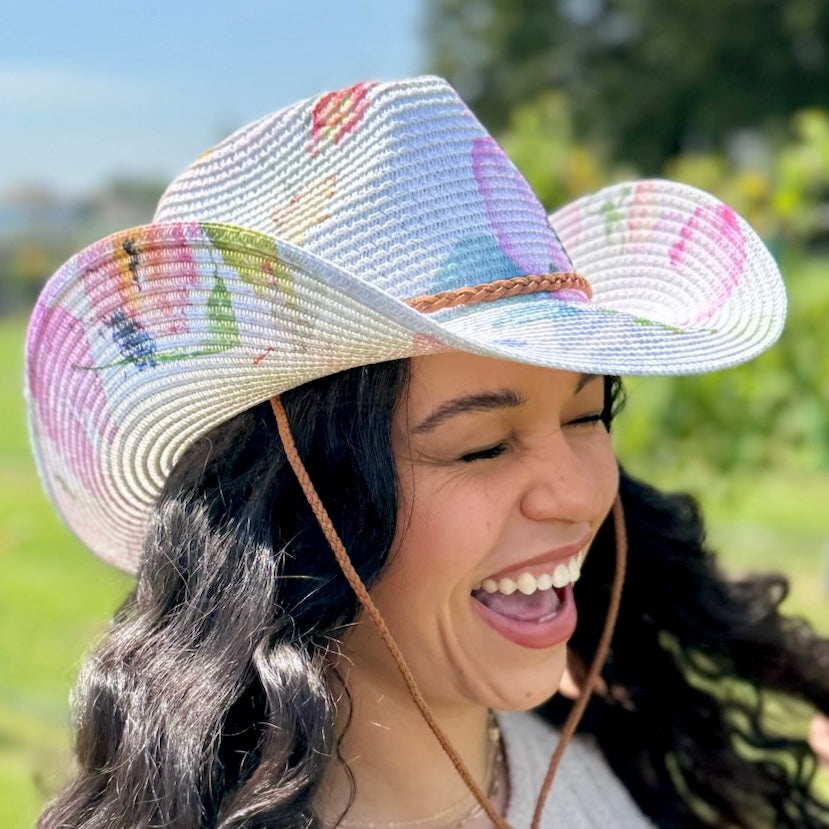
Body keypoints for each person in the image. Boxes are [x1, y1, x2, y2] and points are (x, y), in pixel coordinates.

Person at [24, 76, 829, 829]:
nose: (575, 491)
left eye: (588, 416)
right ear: (297, 511)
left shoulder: (619, 765)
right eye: (480, 447)